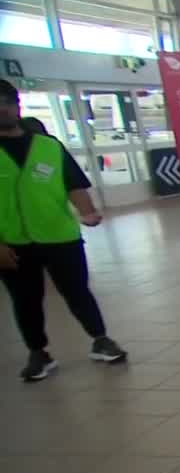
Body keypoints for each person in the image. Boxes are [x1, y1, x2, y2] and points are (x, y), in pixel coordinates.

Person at [0, 79, 127, 381]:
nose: (2, 109)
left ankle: (100, 339)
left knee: (77, 291)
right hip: (13, 241)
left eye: (7, 102)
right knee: (25, 299)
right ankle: (38, 352)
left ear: (17, 107)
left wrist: (87, 211)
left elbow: (74, 183)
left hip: (59, 235)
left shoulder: (48, 146)